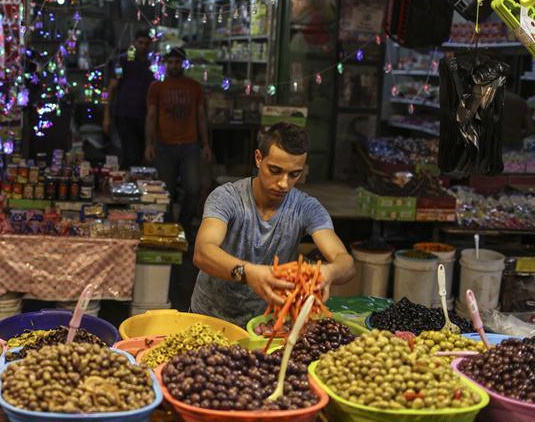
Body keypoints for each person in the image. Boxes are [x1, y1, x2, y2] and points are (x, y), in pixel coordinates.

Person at [190, 123, 354, 327]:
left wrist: (329, 273)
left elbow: (346, 263)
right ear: (259, 158)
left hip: (264, 324)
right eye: (275, 170)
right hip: (209, 318)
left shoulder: (306, 208)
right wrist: (249, 273)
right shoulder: (227, 197)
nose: (284, 183)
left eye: (294, 174)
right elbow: (203, 252)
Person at [144, 47, 211, 238]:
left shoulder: (194, 87)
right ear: (166, 64)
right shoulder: (156, 87)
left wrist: (205, 143)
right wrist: (149, 144)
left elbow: (200, 116)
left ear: (183, 64)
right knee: (166, 192)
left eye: (177, 62)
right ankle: (168, 230)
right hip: (164, 145)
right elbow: (151, 116)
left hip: (190, 145)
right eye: (171, 62)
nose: (174, 65)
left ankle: (183, 226)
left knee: (193, 189)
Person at [103, 29, 155, 168]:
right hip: (125, 114)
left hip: (144, 116)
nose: (143, 46)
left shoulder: (151, 65)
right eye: (140, 43)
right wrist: (106, 116)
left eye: (146, 43)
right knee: (131, 154)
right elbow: (112, 87)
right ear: (134, 43)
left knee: (140, 153)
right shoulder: (123, 61)